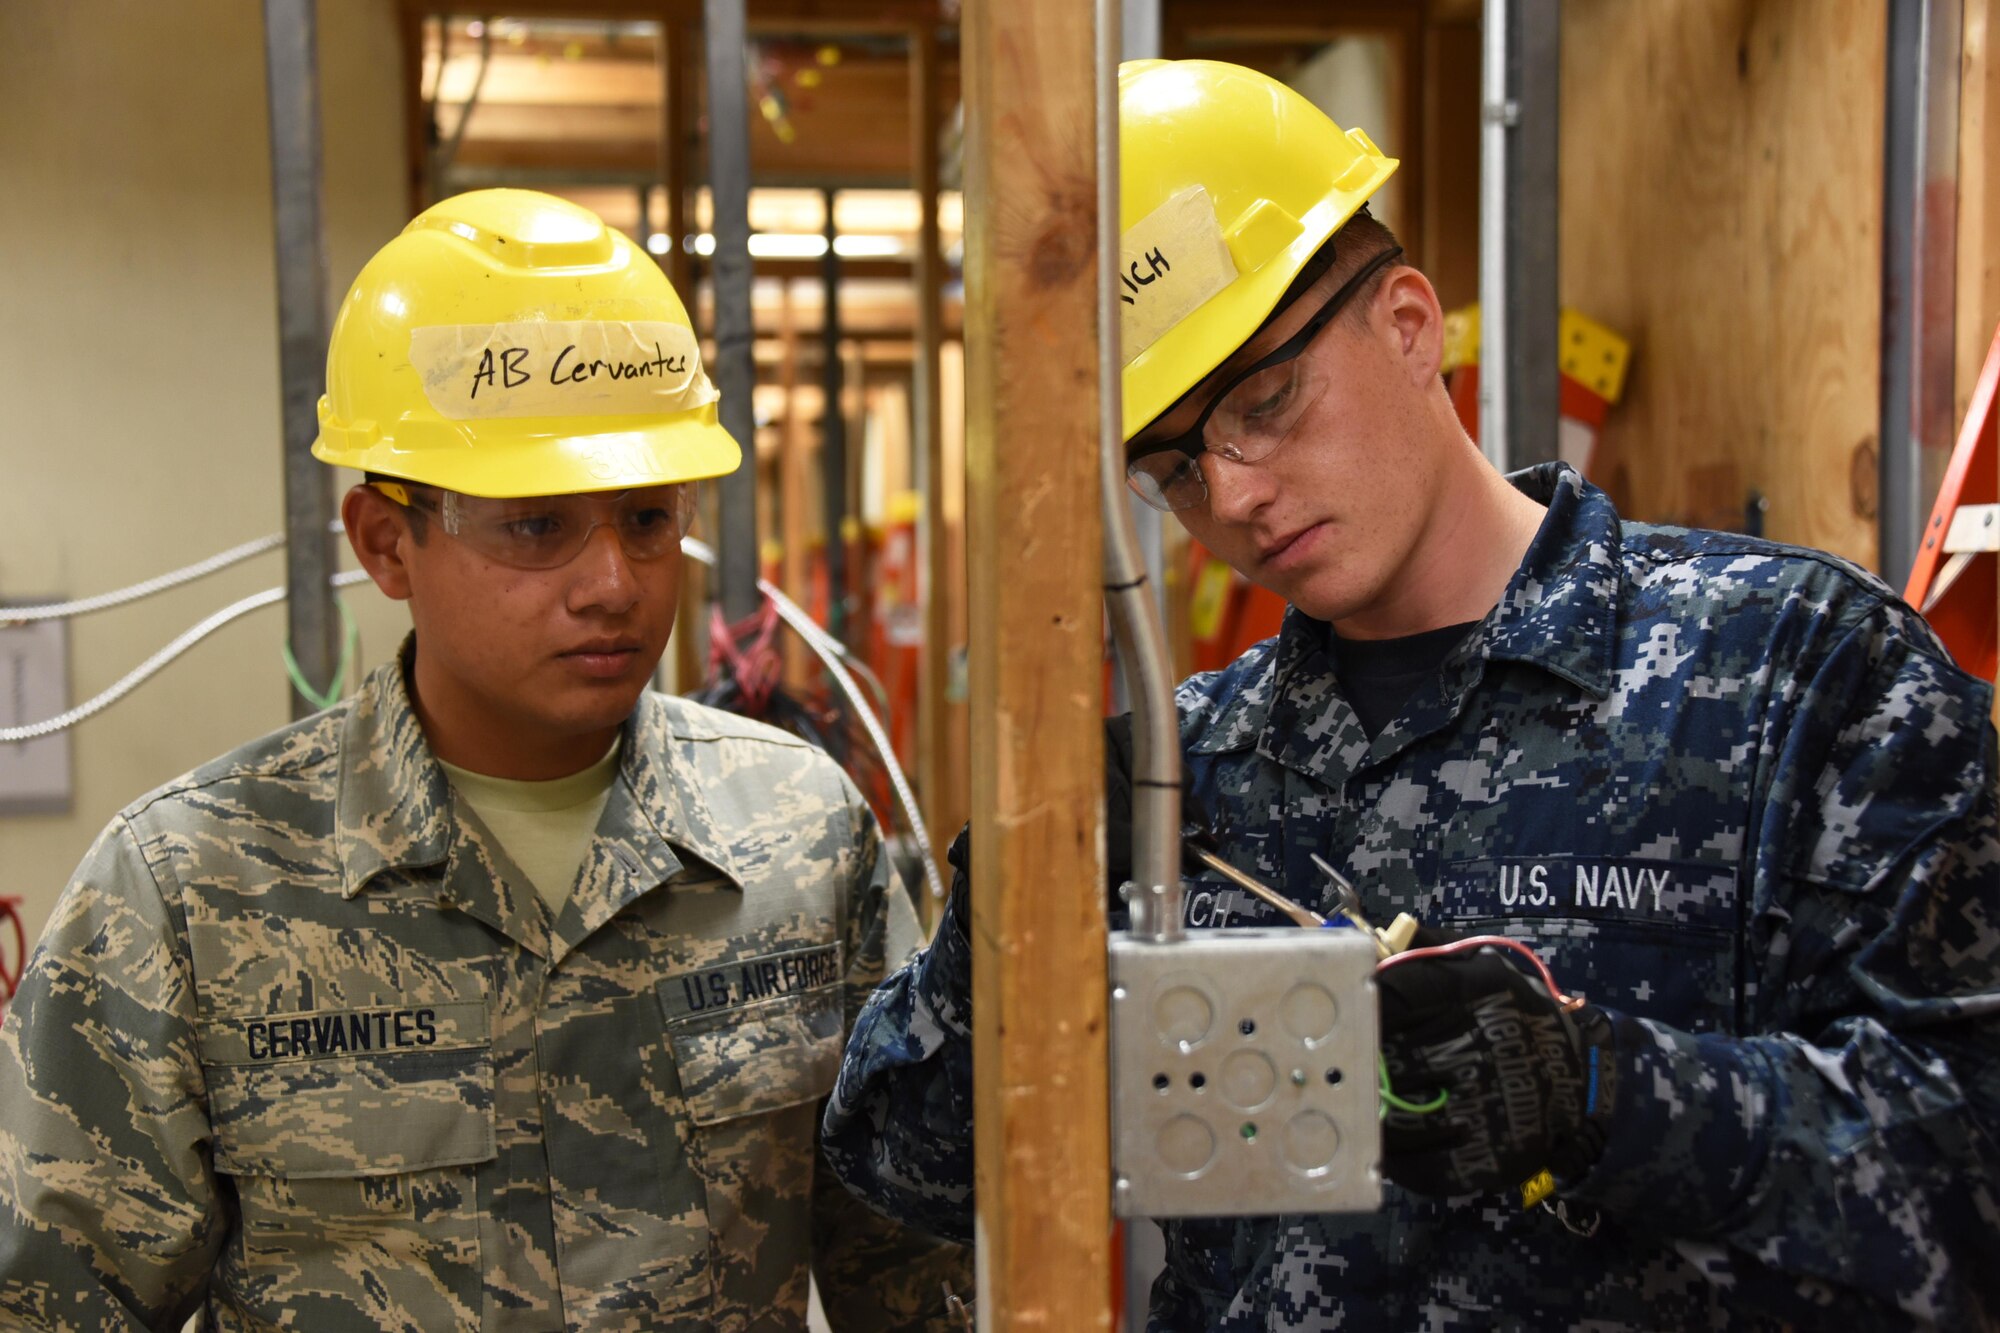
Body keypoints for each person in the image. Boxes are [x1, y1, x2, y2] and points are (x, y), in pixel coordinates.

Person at [822, 59, 2000, 1329]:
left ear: (1404, 322)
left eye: (1263, 404)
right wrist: (1013, 905)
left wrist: (1606, 1090)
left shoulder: (1789, 670)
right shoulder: (1193, 771)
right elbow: (905, 1167)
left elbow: (1968, 1161)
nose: (1232, 498)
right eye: (1169, 467)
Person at [0, 189, 966, 1329]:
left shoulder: (801, 838)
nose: (613, 582)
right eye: (535, 525)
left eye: (648, 519)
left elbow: (908, 1276)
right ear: (383, 542)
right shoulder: (188, 890)